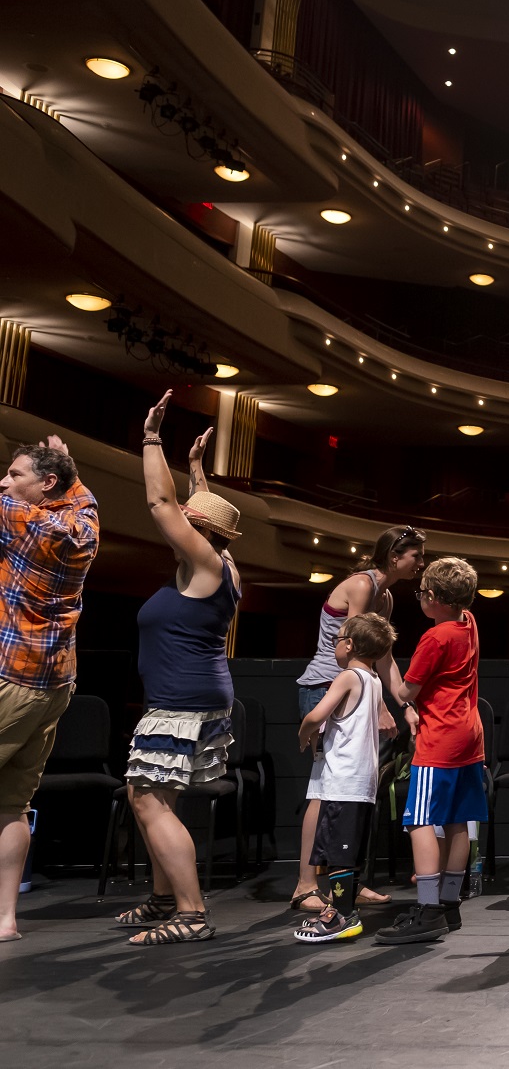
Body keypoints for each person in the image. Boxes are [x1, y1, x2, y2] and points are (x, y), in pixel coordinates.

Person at [116, 392, 241, 945]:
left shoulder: (207, 564)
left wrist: (151, 438)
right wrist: (197, 473)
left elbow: (161, 506)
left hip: (181, 702)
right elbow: (197, 513)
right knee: (149, 796)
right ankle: (164, 899)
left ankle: (190, 913)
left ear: (201, 535)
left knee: (146, 795)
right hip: (194, 695)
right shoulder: (223, 564)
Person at [290, 525, 424, 915]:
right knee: (324, 788)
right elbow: (357, 646)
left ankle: (347, 881)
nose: (420, 563)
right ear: (394, 556)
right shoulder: (363, 586)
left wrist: (405, 703)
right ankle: (304, 884)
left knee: (351, 791)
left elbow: (384, 657)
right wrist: (382, 704)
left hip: (354, 689)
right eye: (415, 555)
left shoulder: (386, 597)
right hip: (326, 686)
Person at [0, 435, 98, 944]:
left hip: (11, 677)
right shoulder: (85, 525)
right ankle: (5, 919)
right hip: (56, 684)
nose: (5, 482)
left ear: (46, 484)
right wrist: (71, 468)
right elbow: (83, 496)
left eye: (15, 474)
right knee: (11, 805)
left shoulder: (19, 517)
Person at [375, 556, 488, 945]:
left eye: (423, 592)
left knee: (420, 821)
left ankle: (428, 911)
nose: (420, 598)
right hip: (469, 736)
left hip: (439, 739)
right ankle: (449, 905)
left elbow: (406, 692)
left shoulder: (435, 637)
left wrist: (382, 655)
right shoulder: (468, 623)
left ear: (436, 598)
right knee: (458, 820)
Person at [294, 612, 393, 943]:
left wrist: (304, 732)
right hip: (363, 783)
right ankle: (340, 908)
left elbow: (317, 714)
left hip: (344, 782)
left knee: (338, 853)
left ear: (349, 644)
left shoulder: (348, 676)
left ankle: (343, 915)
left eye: (336, 640)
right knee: (348, 851)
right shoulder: (375, 681)